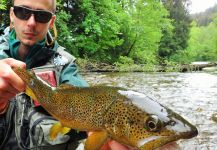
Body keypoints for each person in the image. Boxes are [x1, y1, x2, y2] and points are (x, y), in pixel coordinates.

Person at [0, 0, 179, 149]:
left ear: (52, 21)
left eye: (41, 15)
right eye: (23, 12)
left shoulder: (63, 64)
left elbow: (86, 96)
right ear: (12, 15)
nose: (31, 22)